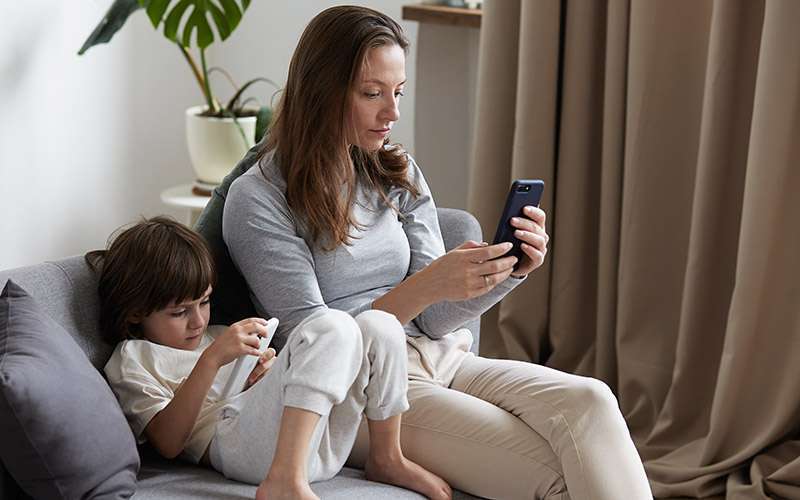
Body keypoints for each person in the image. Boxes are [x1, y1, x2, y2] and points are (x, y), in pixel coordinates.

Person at [221, 5, 654, 500]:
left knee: (590, 401)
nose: (393, 113)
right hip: (362, 396)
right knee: (552, 474)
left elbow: (435, 321)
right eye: (372, 94)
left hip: (440, 359)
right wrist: (426, 285)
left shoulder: (394, 171)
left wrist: (507, 271)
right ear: (321, 91)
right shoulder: (258, 199)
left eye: (398, 93)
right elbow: (317, 339)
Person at [87, 217, 451, 500]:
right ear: (135, 312)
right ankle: (284, 481)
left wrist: (264, 378)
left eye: (204, 302)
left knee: (379, 324)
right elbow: (168, 442)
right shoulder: (133, 357)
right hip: (234, 449)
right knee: (330, 325)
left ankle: (387, 457)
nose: (198, 321)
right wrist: (211, 361)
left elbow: (258, 397)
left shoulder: (217, 336)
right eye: (179, 312)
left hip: (314, 444)